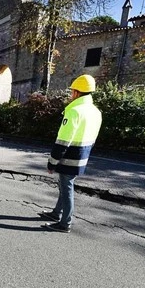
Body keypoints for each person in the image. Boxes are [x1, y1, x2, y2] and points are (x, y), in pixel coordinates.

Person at [40, 74, 102, 233]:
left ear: (77, 92)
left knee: (66, 188)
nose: (71, 94)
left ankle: (64, 223)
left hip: (69, 157)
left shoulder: (75, 111)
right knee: (64, 185)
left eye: (72, 91)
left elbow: (63, 140)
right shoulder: (95, 112)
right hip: (83, 155)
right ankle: (56, 213)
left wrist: (52, 162)